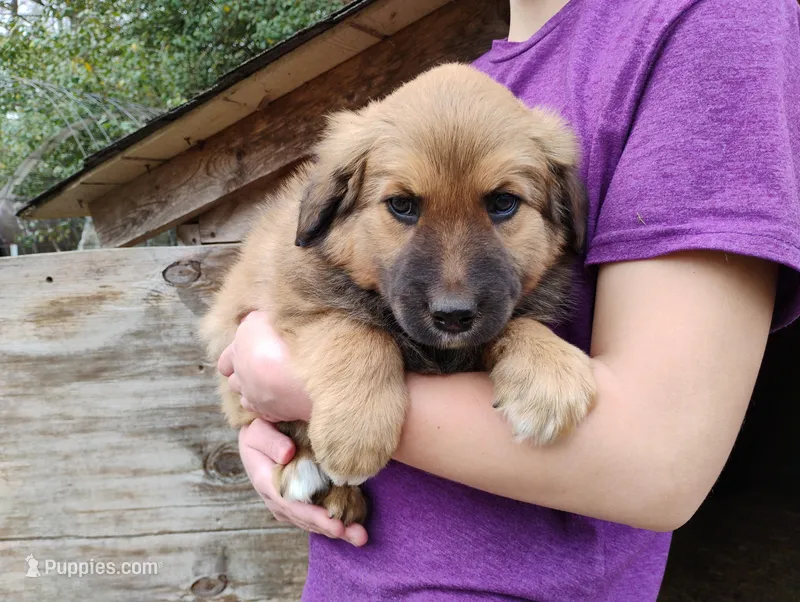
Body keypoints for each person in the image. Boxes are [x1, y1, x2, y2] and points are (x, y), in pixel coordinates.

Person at [217, 0, 800, 599]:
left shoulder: (708, 22)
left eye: (502, 205)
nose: (452, 288)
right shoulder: (466, 88)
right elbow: (255, 312)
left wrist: (296, 381)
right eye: (403, 205)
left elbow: (663, 463)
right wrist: (279, 425)